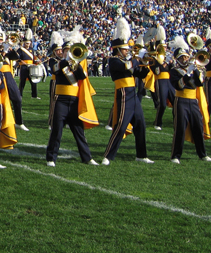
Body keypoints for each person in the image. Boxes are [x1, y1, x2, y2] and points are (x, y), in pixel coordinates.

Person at [102, 17, 154, 165]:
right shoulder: (113, 60)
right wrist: (139, 58)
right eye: (125, 49)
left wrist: (145, 62)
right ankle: (108, 156)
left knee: (140, 125)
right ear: (118, 49)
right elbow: (128, 66)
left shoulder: (128, 60)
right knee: (120, 126)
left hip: (133, 95)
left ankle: (141, 155)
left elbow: (141, 74)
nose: (127, 50)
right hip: (123, 94)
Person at [45, 36, 98, 167]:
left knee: (79, 131)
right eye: (66, 50)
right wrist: (67, 61)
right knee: (57, 131)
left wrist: (75, 64)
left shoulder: (77, 65)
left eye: (70, 50)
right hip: (61, 100)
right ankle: (51, 158)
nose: (68, 53)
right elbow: (55, 69)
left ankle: (87, 157)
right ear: (62, 52)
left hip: (74, 101)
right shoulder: (57, 62)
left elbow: (83, 76)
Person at [168, 43, 211, 163]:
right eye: (182, 57)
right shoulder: (174, 71)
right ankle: (175, 155)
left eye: (186, 57)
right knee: (180, 128)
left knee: (198, 127)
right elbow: (179, 86)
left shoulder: (193, 69)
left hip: (193, 101)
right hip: (181, 100)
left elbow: (199, 84)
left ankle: (202, 154)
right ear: (177, 59)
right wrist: (187, 74)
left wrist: (197, 72)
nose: (185, 59)